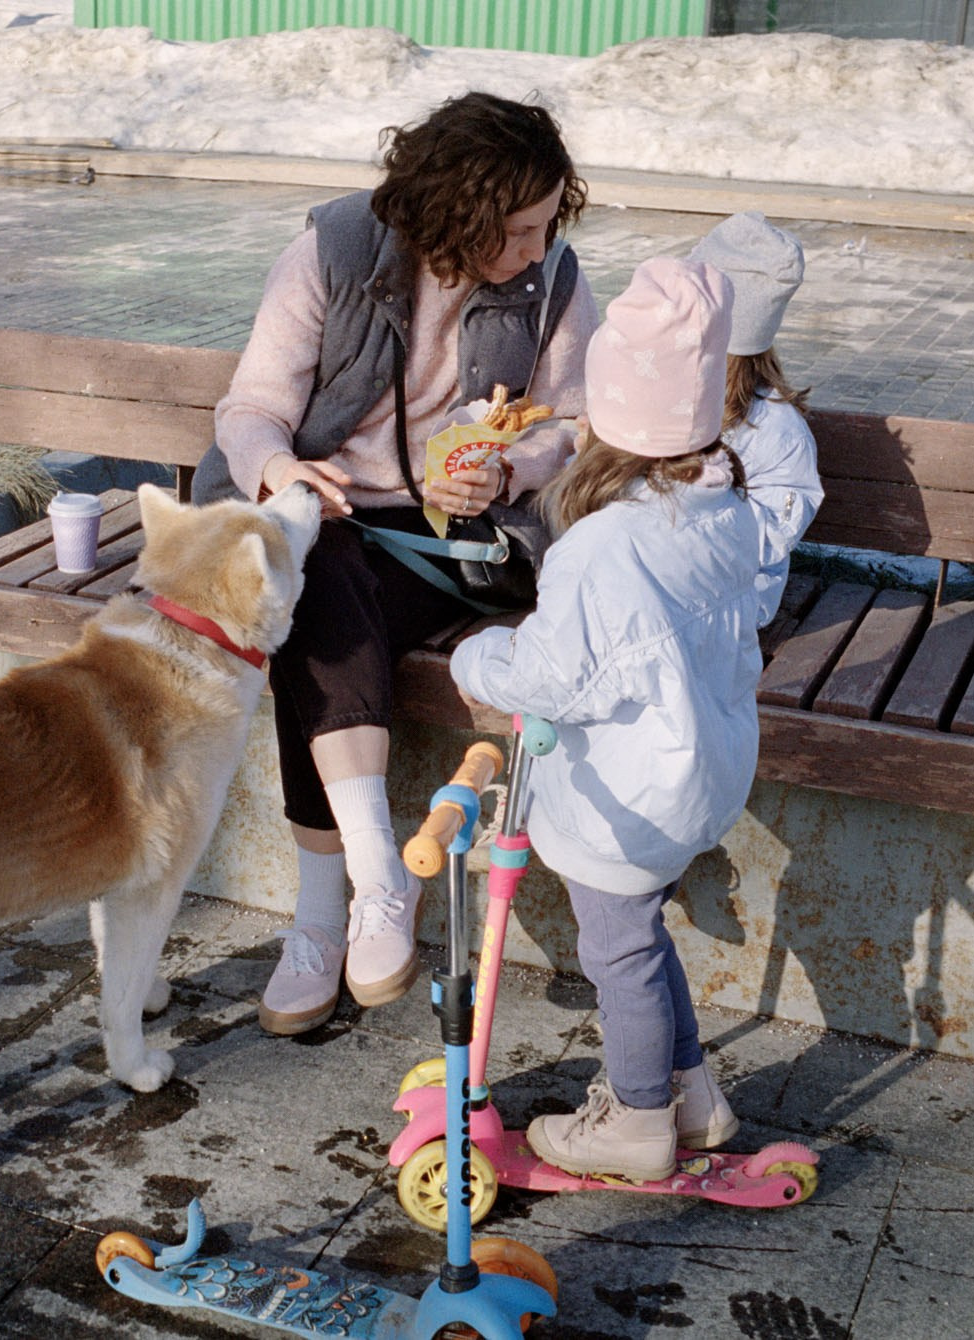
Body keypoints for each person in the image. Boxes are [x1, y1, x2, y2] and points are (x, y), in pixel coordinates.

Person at [198, 92, 600, 1036]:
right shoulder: (330, 254)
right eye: (521, 229)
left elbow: (582, 430)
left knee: (309, 601)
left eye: (549, 225)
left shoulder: (554, 286)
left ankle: (323, 913)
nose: (539, 250)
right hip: (330, 522)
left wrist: (509, 466)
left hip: (453, 554)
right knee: (312, 567)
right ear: (460, 213)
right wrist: (278, 465)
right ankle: (378, 882)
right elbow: (249, 407)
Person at [449, 256, 759, 1181]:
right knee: (644, 932)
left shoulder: (606, 547)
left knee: (617, 951)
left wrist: (477, 657)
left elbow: (553, 681)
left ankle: (635, 1118)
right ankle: (691, 1091)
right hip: (696, 767)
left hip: (628, 791)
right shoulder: (718, 504)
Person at [690, 212, 821, 624]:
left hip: (734, 592)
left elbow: (770, 535)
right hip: (666, 574)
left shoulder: (778, 431)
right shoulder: (668, 394)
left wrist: (690, 500)